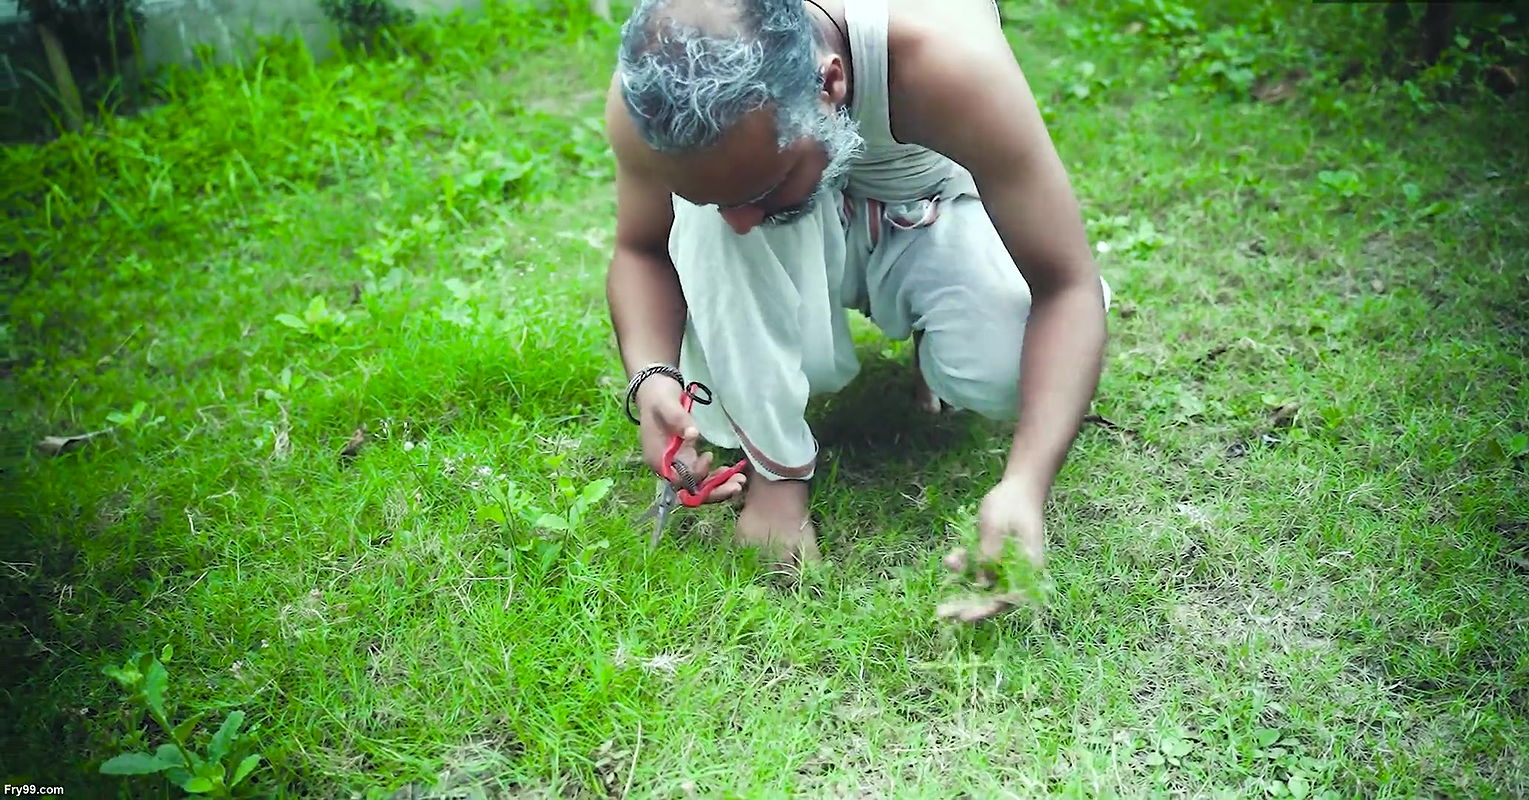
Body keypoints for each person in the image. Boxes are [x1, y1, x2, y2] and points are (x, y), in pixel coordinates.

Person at [603, 0, 1109, 617]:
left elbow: (1066, 285)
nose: (740, 221)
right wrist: (654, 376)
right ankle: (777, 475)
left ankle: (934, 319)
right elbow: (640, 249)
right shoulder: (658, 90)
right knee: (713, 228)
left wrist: (1025, 483)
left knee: (1008, 368)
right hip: (808, 232)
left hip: (927, 209)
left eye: (761, 188)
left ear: (831, 80)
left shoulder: (944, 56)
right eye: (715, 196)